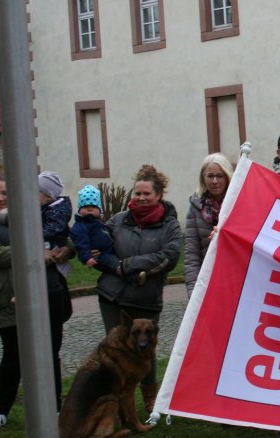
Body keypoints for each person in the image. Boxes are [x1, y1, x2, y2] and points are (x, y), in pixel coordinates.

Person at [0, 176, 73, 428]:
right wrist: (36, 251)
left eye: (6, 192)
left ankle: (55, 408)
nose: (1, 198)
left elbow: (63, 238)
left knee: (50, 353)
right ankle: (1, 410)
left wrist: (67, 250)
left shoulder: (28, 213)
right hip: (6, 296)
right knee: (13, 354)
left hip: (47, 294)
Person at [96, 164, 182, 418]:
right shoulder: (118, 221)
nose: (141, 198)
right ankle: (116, 400)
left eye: (147, 194)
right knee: (114, 351)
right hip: (111, 297)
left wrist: (129, 265)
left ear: (159, 196)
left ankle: (150, 399)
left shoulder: (169, 225)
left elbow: (169, 256)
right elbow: (100, 248)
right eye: (137, 194)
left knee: (146, 352)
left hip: (145, 299)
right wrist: (115, 266)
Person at [185, 153, 234, 298]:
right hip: (208, 281)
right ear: (203, 178)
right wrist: (193, 293)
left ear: (227, 177)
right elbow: (191, 255)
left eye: (219, 176)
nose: (214, 181)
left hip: (235, 279)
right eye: (210, 176)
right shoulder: (195, 208)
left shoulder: (238, 204)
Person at [71, 184, 120, 275]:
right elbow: (81, 244)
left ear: (99, 210)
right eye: (85, 207)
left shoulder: (98, 223)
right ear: (79, 210)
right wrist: (87, 258)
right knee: (116, 264)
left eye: (93, 207)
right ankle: (133, 276)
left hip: (110, 251)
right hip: (101, 256)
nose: (89, 209)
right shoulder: (80, 226)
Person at [39, 171, 73, 278]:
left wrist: (37, 236)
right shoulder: (45, 207)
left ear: (49, 197)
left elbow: (54, 228)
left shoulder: (57, 211)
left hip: (54, 246)